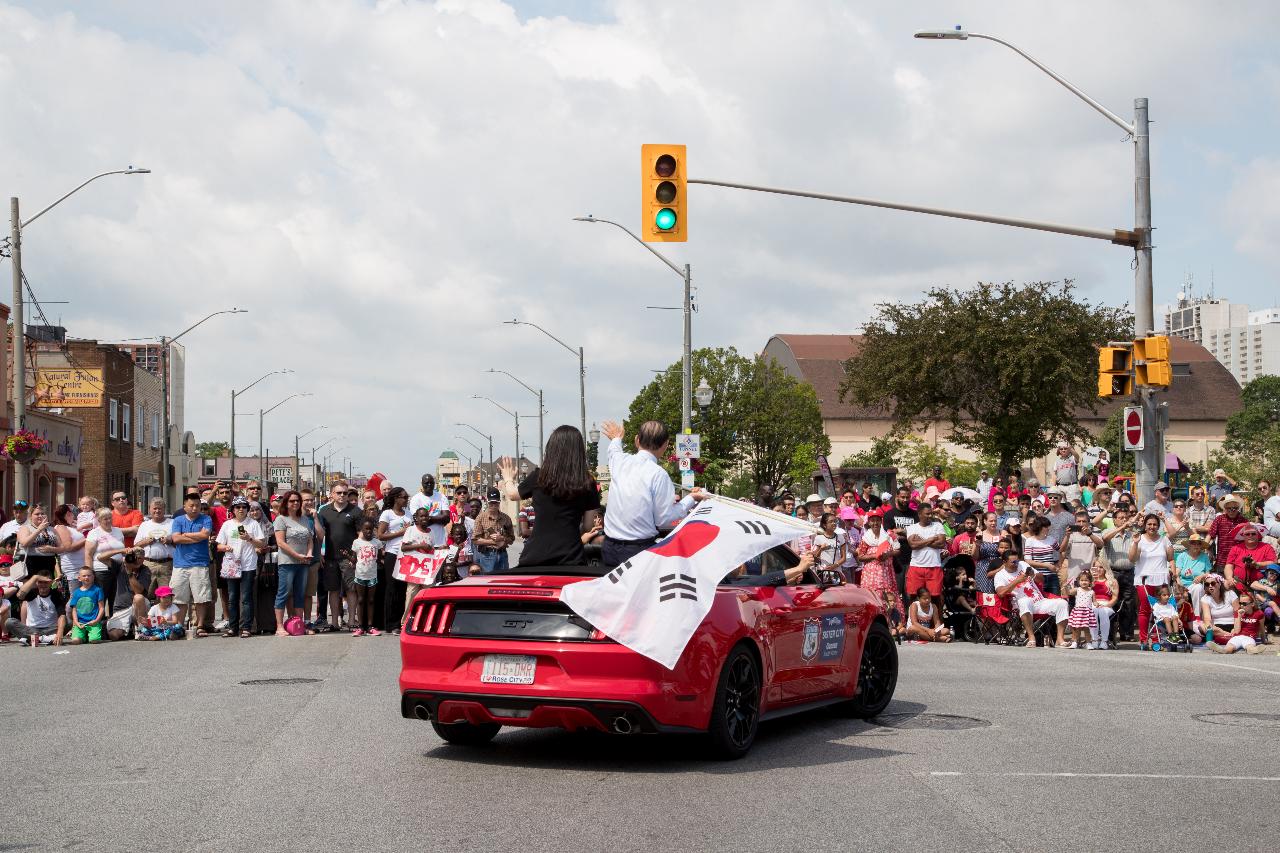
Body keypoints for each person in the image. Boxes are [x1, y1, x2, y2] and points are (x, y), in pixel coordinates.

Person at [597, 420, 704, 567]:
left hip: (609, 547)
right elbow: (664, 519)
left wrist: (617, 437)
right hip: (638, 551)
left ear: (637, 440)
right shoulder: (659, 475)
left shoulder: (619, 462)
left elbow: (614, 450)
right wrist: (691, 498)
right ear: (665, 445)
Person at [993, 549, 1069, 648]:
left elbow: (1041, 579)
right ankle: (1031, 637)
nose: (1016, 564)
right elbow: (1000, 593)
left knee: (1062, 603)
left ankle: (1060, 639)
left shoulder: (1023, 564)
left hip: (1039, 601)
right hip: (1020, 605)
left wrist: (1033, 575)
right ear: (1004, 562)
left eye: (1017, 561)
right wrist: (1017, 581)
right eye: (1013, 562)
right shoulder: (1000, 575)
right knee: (1025, 600)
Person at [215, 497, 267, 638]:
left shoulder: (253, 524)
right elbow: (218, 545)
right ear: (233, 510)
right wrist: (225, 547)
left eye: (244, 507)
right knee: (232, 597)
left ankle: (246, 627)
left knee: (246, 597)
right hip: (232, 565)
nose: (241, 509)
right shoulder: (227, 525)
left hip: (248, 564)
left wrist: (249, 539)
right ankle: (233, 627)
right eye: (238, 507)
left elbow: (262, 544)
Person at [316, 485, 362, 632]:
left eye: (344, 493)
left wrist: (354, 556)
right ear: (332, 494)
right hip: (330, 557)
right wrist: (318, 553)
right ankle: (335, 622)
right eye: (339, 493)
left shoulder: (356, 511)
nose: (342, 495)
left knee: (351, 589)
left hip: (349, 558)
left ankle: (351, 621)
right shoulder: (324, 511)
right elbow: (319, 534)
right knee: (333, 590)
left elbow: (360, 534)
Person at [168, 494, 214, 637]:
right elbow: (175, 538)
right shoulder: (178, 520)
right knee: (179, 597)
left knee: (200, 597)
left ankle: (200, 626)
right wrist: (196, 536)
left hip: (199, 563)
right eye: (191, 505)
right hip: (180, 564)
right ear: (185, 506)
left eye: (197, 506)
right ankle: (179, 625)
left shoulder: (206, 519)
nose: (195, 508)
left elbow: (205, 535)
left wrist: (185, 535)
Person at [1128, 513, 1174, 648]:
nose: (1152, 527)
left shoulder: (1164, 539)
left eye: (1154, 524)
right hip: (1144, 579)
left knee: (1159, 610)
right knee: (1146, 609)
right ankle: (1143, 639)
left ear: (1158, 526)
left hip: (1161, 579)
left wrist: (1174, 572)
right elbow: (1132, 559)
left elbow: (1170, 558)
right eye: (1149, 524)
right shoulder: (1139, 539)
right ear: (1144, 525)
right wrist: (1136, 544)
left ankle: (1155, 638)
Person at [272, 491, 313, 636]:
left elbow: (310, 540)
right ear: (285, 503)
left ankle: (298, 625)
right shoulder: (281, 519)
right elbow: (280, 543)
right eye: (291, 501)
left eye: (297, 501)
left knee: (300, 594)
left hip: (303, 563)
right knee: (283, 593)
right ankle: (279, 626)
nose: (295, 503)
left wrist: (308, 554)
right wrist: (297, 556)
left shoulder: (304, 519)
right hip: (287, 563)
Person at [376, 487, 412, 631]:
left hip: (407, 554)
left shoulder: (408, 514)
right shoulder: (387, 514)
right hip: (392, 553)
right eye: (403, 497)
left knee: (403, 588)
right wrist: (400, 532)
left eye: (406, 497)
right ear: (396, 498)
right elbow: (380, 535)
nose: (406, 499)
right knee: (392, 588)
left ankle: (401, 621)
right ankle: (390, 623)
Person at [857, 510, 902, 621]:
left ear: (881, 521)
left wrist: (889, 554)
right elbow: (860, 557)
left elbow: (898, 550)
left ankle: (893, 624)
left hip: (886, 573)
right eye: (873, 521)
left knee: (889, 597)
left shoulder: (888, 535)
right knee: (873, 597)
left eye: (877, 520)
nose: (875, 523)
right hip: (871, 575)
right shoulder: (865, 539)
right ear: (869, 523)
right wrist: (875, 555)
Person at [4, 574, 66, 646]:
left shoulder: (56, 594)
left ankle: (34, 639)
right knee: (9, 622)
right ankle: (44, 639)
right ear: (36, 583)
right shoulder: (32, 593)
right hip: (33, 630)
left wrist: (59, 633)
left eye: (46, 582)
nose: (43, 585)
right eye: (40, 582)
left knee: (68, 622)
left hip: (51, 629)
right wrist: (35, 577)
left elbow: (62, 615)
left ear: (51, 582)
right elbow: (19, 595)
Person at [397, 507, 435, 624]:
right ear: (417, 518)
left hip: (426, 569)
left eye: (426, 516)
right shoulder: (411, 530)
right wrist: (420, 546)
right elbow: (404, 547)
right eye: (421, 516)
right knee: (411, 594)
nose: (424, 518)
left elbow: (432, 549)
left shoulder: (431, 532)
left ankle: (424, 621)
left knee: (427, 595)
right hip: (414, 568)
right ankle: (406, 622)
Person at [105, 547, 151, 641]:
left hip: (139, 606)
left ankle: (141, 630)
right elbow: (101, 558)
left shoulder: (145, 570)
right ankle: (129, 629)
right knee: (114, 635)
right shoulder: (121, 565)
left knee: (138, 597)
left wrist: (130, 572)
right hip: (122, 608)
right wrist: (120, 550)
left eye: (140, 558)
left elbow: (138, 591)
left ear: (144, 559)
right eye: (135, 557)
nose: (137, 561)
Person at [84, 508, 127, 603]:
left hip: (118, 570)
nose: (108, 521)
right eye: (105, 519)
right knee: (101, 599)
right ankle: (101, 618)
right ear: (99, 520)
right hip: (101, 571)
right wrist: (89, 573)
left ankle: (113, 617)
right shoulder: (94, 533)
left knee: (116, 599)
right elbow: (88, 555)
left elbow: (123, 551)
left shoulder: (118, 531)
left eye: (110, 518)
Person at [349, 518, 383, 636]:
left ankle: (370, 626)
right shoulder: (357, 542)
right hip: (360, 575)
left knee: (371, 600)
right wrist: (348, 557)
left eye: (371, 529)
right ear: (361, 530)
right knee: (361, 599)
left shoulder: (377, 543)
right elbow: (354, 559)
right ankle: (360, 627)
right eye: (366, 529)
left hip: (372, 575)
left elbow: (378, 559)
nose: (369, 531)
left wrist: (382, 562)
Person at [904, 504, 947, 599]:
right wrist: (930, 539)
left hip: (934, 566)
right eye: (927, 514)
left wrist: (921, 540)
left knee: (935, 598)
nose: (930, 516)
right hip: (916, 566)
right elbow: (913, 545)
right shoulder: (912, 527)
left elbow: (941, 544)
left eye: (931, 513)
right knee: (914, 597)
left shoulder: (937, 525)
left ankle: (935, 614)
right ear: (919, 514)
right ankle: (913, 614)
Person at [135, 498, 173, 596]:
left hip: (167, 564)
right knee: (147, 595)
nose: (157, 511)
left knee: (166, 596)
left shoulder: (172, 523)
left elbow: (179, 542)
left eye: (160, 508)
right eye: (155, 508)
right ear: (149, 509)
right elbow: (136, 545)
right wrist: (146, 541)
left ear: (164, 509)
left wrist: (169, 540)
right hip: (148, 564)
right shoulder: (144, 525)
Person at [471, 487, 515, 573]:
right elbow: (475, 540)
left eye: (496, 503)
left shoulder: (506, 518)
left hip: (502, 554)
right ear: (487, 502)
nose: (494, 506)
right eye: (491, 503)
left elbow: (511, 539)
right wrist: (494, 541)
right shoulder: (480, 518)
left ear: (499, 502)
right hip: (487, 555)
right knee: (488, 580)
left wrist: (502, 538)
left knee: (503, 581)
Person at [17, 503, 64, 580]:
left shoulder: (52, 529)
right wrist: (39, 530)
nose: (40, 516)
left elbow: (62, 548)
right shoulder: (25, 528)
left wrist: (52, 549)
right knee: (32, 589)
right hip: (31, 562)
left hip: (49, 562)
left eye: (43, 513)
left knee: (46, 587)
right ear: (30, 516)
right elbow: (24, 543)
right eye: (37, 514)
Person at [1224, 522, 1276, 592]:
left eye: (1253, 534)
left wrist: (1257, 564)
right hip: (1238, 582)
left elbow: (1273, 563)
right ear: (1243, 536)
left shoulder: (1267, 547)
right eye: (1247, 534)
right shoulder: (1235, 548)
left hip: (1260, 583)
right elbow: (1229, 565)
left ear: (1258, 535)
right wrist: (1229, 578)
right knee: (1225, 584)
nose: (1250, 536)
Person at [408, 474, 450, 551]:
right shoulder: (416, 499)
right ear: (422, 484)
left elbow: (447, 518)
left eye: (431, 482)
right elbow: (418, 521)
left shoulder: (441, 497)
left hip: (440, 543)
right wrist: (439, 518)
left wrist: (428, 519)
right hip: (423, 544)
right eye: (426, 483)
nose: (429, 485)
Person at [66, 566, 105, 644]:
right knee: (75, 641)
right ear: (79, 578)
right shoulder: (76, 592)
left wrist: (96, 620)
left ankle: (91, 635)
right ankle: (82, 636)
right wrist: (76, 622)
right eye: (84, 576)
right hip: (80, 623)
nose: (87, 577)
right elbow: (74, 610)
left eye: (89, 575)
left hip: (93, 622)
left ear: (93, 577)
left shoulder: (97, 590)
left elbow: (101, 608)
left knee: (94, 640)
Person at [1199, 574, 1239, 649]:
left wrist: (1236, 628)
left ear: (1220, 584)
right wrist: (1209, 627)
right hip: (1217, 628)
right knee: (1202, 626)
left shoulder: (1231, 594)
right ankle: (1228, 635)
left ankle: (1228, 636)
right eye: (1207, 584)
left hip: (1233, 625)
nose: (1210, 586)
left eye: (1213, 583)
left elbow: (1238, 614)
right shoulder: (1205, 599)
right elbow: (1207, 618)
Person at [1209, 494, 1247, 573]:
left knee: (1237, 581)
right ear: (1225, 508)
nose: (1231, 510)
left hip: (1239, 558)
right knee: (1222, 583)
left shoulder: (1244, 521)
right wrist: (1204, 547)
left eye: (1234, 508)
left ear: (1238, 508)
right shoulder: (1219, 519)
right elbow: (1211, 535)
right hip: (1222, 558)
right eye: (1228, 508)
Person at [1090, 559, 1119, 649]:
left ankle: (1104, 641)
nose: (1098, 569)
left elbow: (1115, 598)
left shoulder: (1112, 581)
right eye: (1096, 567)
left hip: (1107, 604)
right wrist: (1092, 581)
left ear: (1105, 568)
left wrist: (1106, 605)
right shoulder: (1089, 580)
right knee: (1093, 610)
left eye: (1101, 567)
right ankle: (1094, 639)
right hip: (1093, 604)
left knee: (1102, 611)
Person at [1066, 569, 1097, 649]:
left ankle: (1088, 643)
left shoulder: (1092, 592)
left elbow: (1094, 602)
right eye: (1082, 580)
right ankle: (1075, 642)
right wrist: (1067, 586)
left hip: (1087, 612)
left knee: (1087, 629)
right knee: (1077, 629)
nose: (1084, 582)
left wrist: (1097, 604)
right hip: (1078, 612)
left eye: (1086, 580)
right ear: (1078, 581)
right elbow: (1069, 592)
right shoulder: (1077, 590)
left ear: (1090, 582)